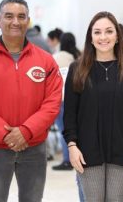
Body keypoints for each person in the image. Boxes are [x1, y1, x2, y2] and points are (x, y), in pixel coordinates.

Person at [0, 0, 62, 202]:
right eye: (8, 16)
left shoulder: (46, 61)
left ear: (28, 20)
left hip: (34, 146)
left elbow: (52, 102)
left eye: (21, 16)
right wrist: (6, 134)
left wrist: (26, 131)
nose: (15, 22)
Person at [63, 11, 123, 202]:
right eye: (97, 32)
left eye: (109, 31)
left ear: (117, 36)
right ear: (90, 38)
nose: (103, 37)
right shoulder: (77, 69)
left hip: (122, 150)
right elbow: (69, 114)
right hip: (87, 152)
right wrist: (72, 146)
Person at [51, 32, 80, 171]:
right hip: (78, 99)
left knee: (64, 131)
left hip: (60, 99)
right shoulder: (79, 56)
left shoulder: (56, 58)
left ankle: (67, 160)